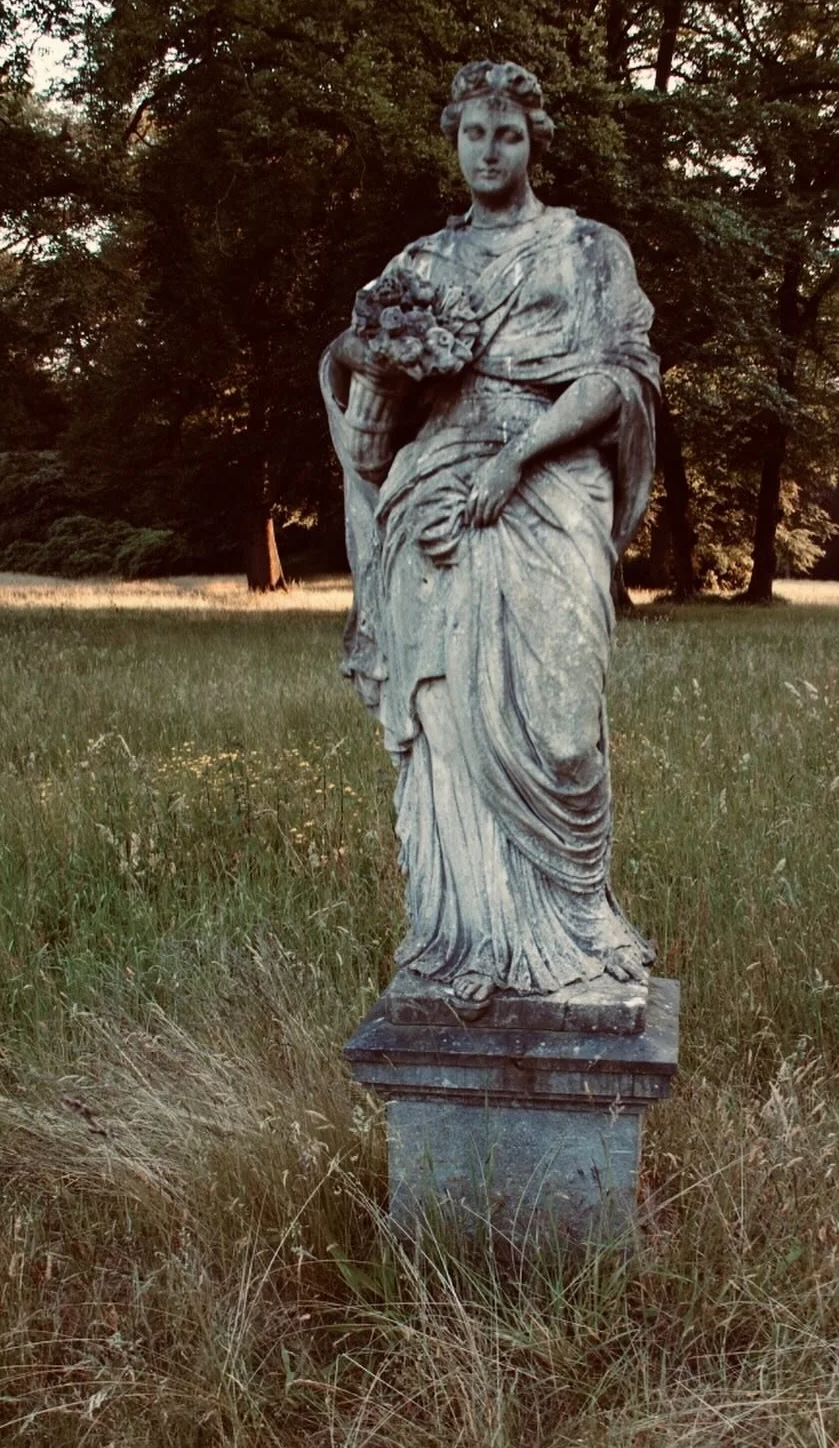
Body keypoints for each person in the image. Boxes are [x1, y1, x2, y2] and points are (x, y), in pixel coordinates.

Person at [319, 62, 659, 1007]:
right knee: (445, 719)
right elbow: (354, 359)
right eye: (474, 132)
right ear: (454, 137)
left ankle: (575, 921)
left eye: (506, 134)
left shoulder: (586, 249)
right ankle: (461, 930)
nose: (489, 150)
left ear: (533, 140)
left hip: (548, 489)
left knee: (560, 725)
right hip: (433, 500)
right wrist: (369, 361)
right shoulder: (418, 264)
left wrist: (516, 457)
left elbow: (619, 378)